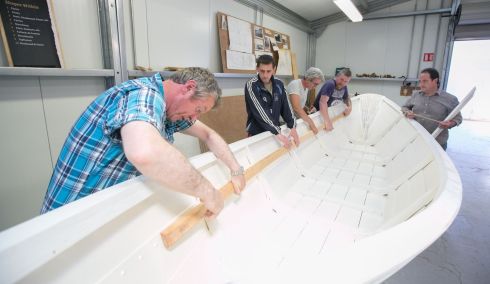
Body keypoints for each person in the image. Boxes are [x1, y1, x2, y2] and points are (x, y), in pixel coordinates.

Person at [41, 67, 246, 217]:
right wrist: (208, 192)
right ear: (188, 88)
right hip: (69, 217)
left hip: (100, 212)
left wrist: (235, 169)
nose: (193, 118)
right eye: (198, 110)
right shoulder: (143, 95)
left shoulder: (170, 112)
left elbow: (208, 135)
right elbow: (146, 153)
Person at [244, 54, 299, 148]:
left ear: (274, 69)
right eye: (262, 71)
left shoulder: (279, 84)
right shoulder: (251, 85)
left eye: (268, 71)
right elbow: (260, 111)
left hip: (275, 131)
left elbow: (286, 107)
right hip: (257, 132)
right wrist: (276, 132)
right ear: (257, 69)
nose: (265, 75)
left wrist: (292, 126)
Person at [402, 68, 462, 150]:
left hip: (438, 143)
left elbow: (458, 118)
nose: (421, 84)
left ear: (435, 81)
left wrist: (450, 123)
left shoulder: (450, 99)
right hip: (416, 139)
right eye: (420, 81)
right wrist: (407, 112)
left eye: (425, 81)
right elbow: (404, 107)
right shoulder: (416, 95)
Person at [287, 67, 324, 135]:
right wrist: (311, 123)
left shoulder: (306, 88)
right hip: (286, 122)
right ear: (308, 79)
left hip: (295, 120)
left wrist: (307, 108)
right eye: (315, 84)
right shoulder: (295, 85)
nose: (315, 87)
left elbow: (300, 104)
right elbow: (296, 107)